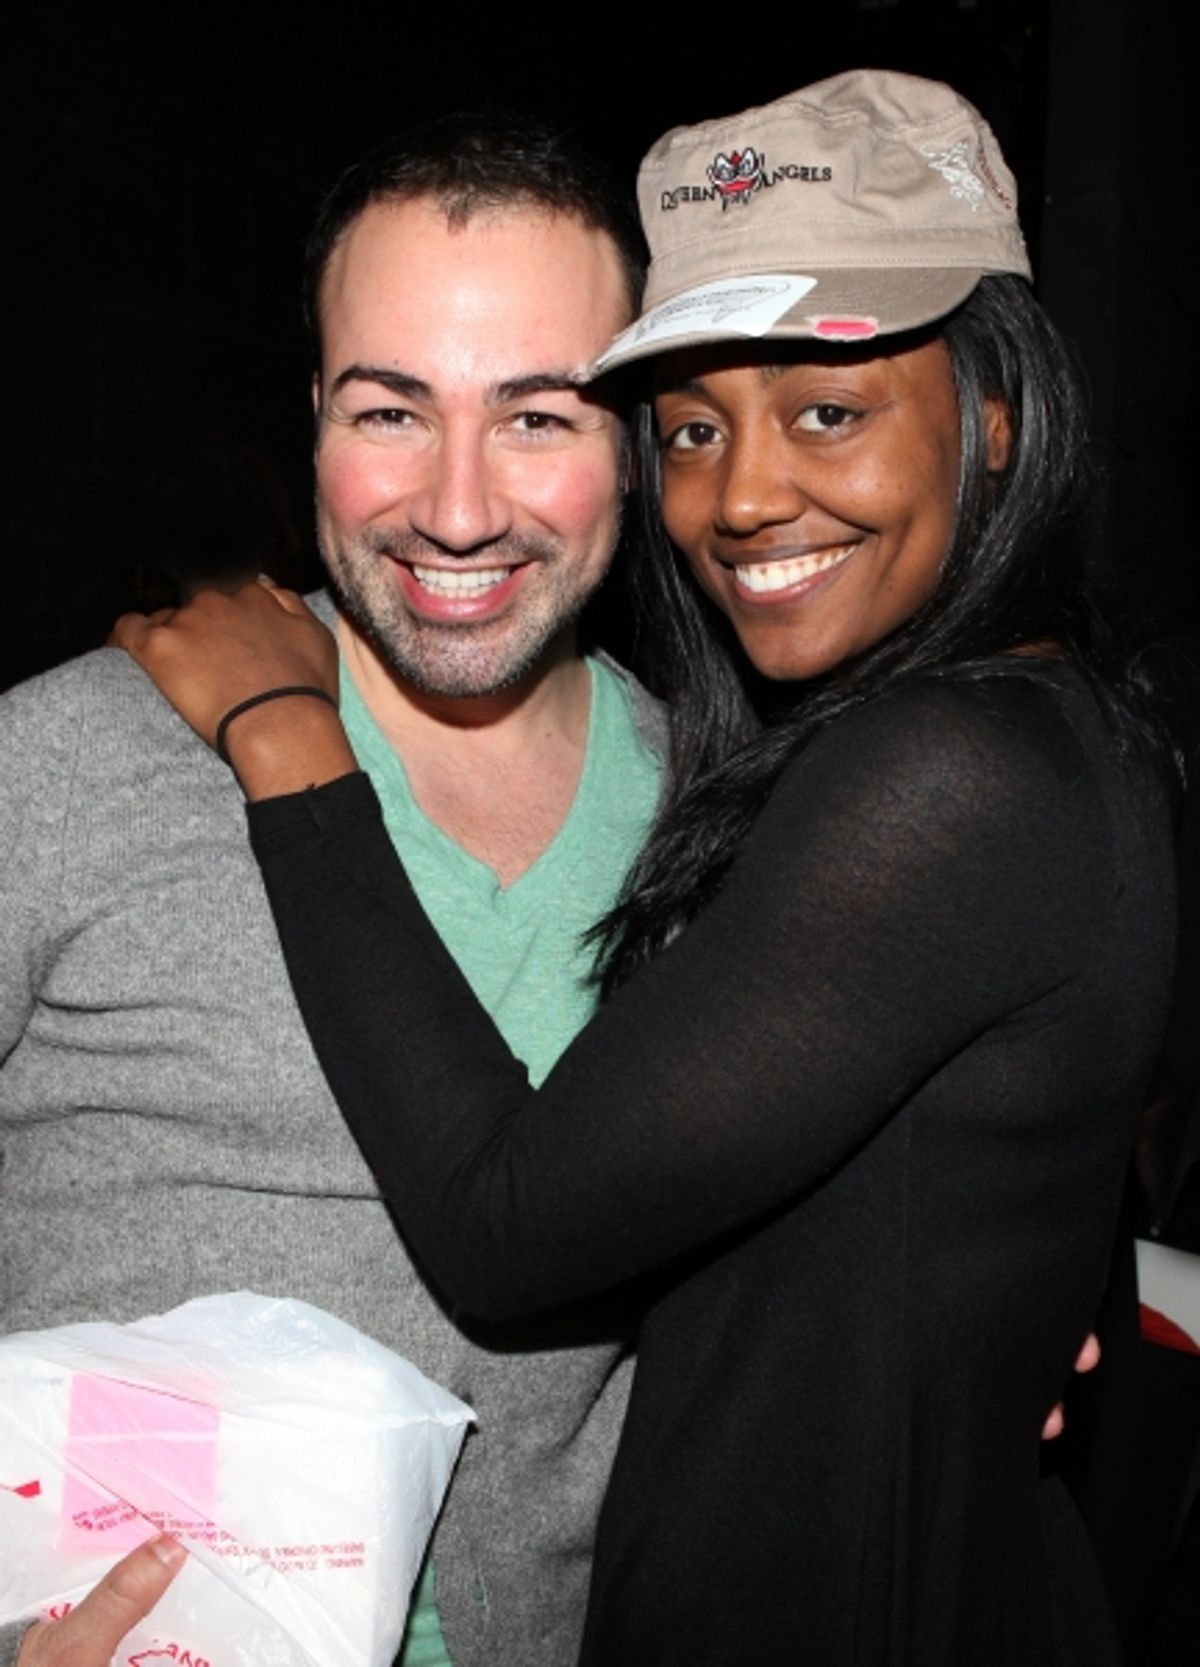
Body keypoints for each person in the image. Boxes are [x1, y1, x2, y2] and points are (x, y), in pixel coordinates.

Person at [117, 71, 1178, 1664]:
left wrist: (290, 737)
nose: (743, 496)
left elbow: (510, 1229)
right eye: (691, 427)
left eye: (827, 409)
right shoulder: (986, 740)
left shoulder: (947, 772)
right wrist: (1035, 1280)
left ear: (997, 411)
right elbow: (987, 1079)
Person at [0, 116, 666, 1667]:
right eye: (391, 411)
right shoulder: (69, 760)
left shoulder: (740, 822)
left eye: (539, 419)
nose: (453, 508)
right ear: (310, 414)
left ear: (633, 434)